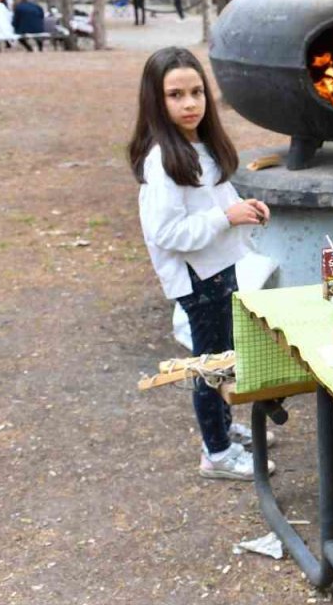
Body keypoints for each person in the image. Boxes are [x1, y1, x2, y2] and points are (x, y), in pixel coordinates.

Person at [129, 47, 275, 481]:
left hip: (220, 268)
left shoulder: (201, 146)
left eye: (196, 92)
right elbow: (167, 233)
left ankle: (225, 429)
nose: (189, 103)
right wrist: (223, 218)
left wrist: (241, 207)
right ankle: (216, 453)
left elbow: (218, 201)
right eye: (175, 95)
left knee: (224, 356)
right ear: (156, 100)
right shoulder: (163, 160)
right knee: (208, 367)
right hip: (197, 280)